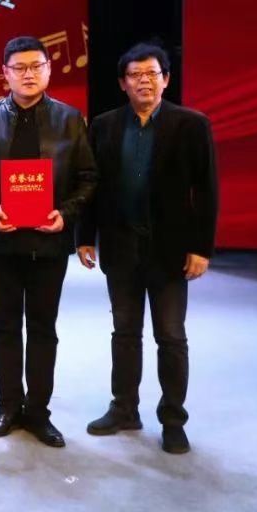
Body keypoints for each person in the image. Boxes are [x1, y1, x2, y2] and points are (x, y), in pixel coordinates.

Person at [77, 43, 217, 455]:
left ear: (166, 79)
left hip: (169, 250)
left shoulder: (191, 125)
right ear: (123, 83)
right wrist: (84, 236)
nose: (144, 81)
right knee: (124, 332)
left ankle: (173, 419)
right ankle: (124, 408)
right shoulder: (104, 125)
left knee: (171, 336)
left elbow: (206, 190)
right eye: (135, 75)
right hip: (120, 247)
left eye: (152, 74)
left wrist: (201, 248)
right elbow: (92, 186)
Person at [0, 36, 97, 448]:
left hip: (49, 241)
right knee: (5, 327)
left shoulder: (70, 120)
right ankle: (8, 407)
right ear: (5, 73)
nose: (28, 74)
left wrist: (65, 214)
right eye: (19, 68)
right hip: (0, 241)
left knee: (42, 328)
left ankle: (38, 412)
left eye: (36, 66)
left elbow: (88, 178)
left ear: (49, 69)